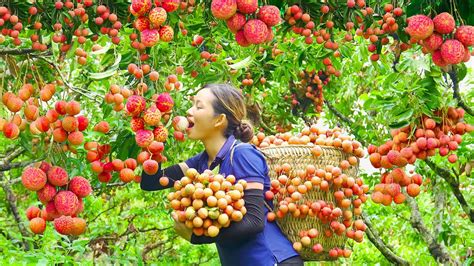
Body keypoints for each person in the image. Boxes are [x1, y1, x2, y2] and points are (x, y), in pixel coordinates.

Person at [141, 83, 303, 266]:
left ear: (219, 120)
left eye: (198, 106)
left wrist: (197, 237)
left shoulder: (243, 154)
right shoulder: (201, 164)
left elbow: (254, 221)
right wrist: (154, 136)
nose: (189, 111)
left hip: (274, 261)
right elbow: (152, 181)